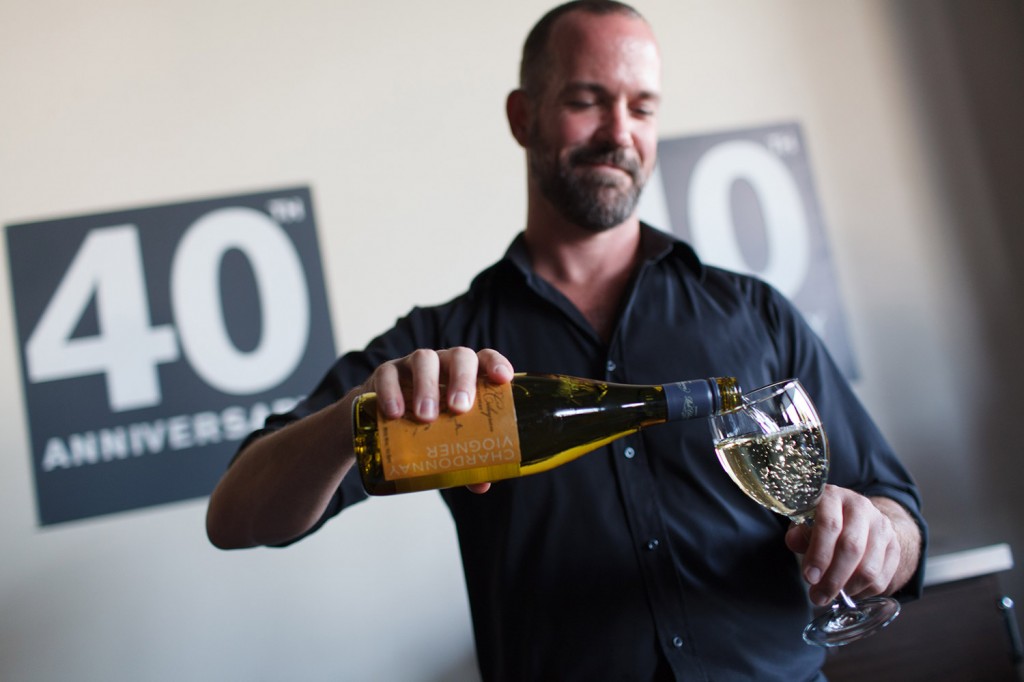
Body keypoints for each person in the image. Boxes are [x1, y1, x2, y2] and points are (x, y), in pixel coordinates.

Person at [206, 2, 926, 680]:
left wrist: (881, 536)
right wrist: (354, 414)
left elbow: (898, 511)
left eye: (642, 107)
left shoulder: (753, 311)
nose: (620, 132)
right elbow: (235, 515)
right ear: (525, 117)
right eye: (587, 100)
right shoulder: (442, 346)